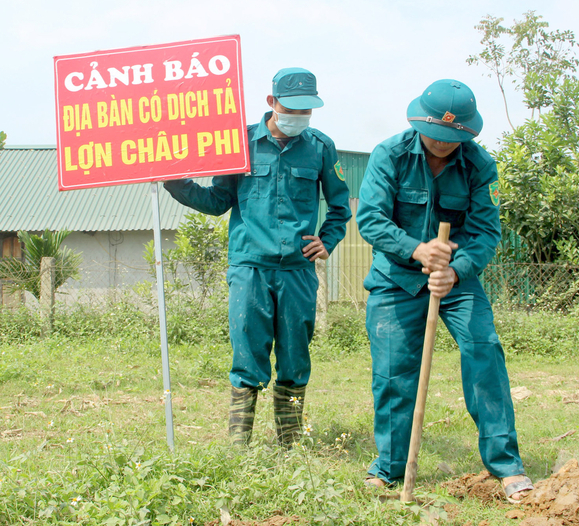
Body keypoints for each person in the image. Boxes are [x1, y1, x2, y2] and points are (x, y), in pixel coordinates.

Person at [356, 79, 533, 502]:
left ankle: (506, 466)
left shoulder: (479, 165)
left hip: (457, 282)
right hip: (396, 279)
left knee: (483, 351)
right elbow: (371, 220)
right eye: (436, 133)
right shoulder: (390, 155)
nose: (442, 143)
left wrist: (455, 271)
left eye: (453, 137)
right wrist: (417, 249)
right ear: (419, 121)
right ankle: (389, 468)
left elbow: (486, 231)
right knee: (394, 371)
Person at [164, 67, 351, 447]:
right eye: (291, 108)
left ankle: (289, 444)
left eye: (306, 110)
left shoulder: (320, 146)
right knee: (247, 352)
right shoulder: (240, 142)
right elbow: (218, 201)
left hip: (297, 271)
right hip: (249, 267)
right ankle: (239, 447)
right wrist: (174, 181)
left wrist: (327, 240)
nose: (299, 117)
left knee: (296, 356)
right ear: (271, 102)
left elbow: (340, 205)